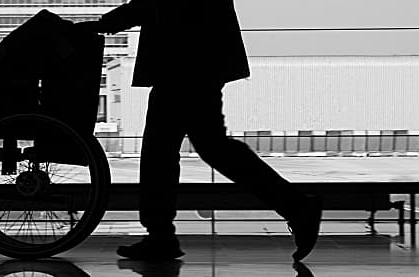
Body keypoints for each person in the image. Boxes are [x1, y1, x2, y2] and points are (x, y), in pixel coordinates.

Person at [76, 0, 323, 261]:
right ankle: (296, 207)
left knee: (163, 151)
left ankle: (161, 235)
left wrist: (105, 24)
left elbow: (153, 3)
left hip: (182, 61)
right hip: (199, 59)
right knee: (204, 147)